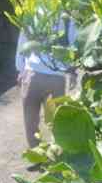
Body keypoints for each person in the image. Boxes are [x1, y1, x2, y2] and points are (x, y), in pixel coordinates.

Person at [16, 15, 78, 164]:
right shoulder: (33, 11)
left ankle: (57, 155)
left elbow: (74, 44)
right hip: (34, 73)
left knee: (56, 120)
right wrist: (20, 68)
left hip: (55, 75)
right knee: (31, 119)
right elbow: (23, 39)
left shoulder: (67, 17)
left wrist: (72, 71)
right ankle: (38, 157)